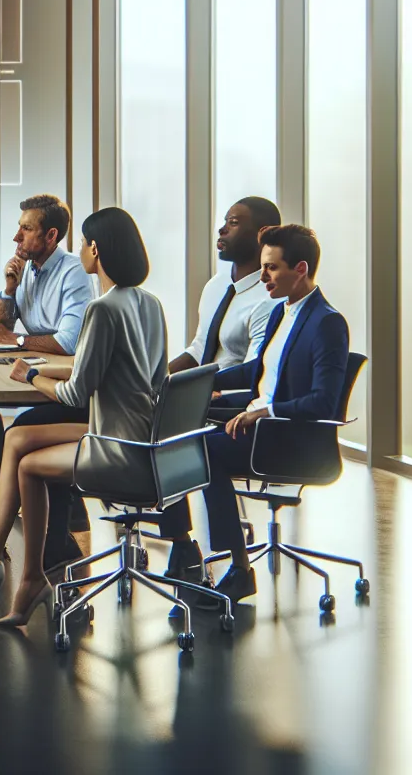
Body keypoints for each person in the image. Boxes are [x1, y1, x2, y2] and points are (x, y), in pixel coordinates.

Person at [0, 207, 167, 628]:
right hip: (141, 431)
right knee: (16, 440)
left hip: (113, 442)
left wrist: (31, 375)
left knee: (26, 462)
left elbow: (77, 390)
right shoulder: (149, 304)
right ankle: (6, 566)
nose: (79, 250)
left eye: (83, 243)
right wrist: (43, 370)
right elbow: (102, 368)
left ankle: (16, 573)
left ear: (95, 250)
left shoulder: (103, 309)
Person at [159, 224, 350, 607]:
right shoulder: (282, 312)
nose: (262, 277)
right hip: (261, 426)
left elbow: (323, 402)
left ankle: (239, 567)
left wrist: (266, 411)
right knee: (172, 435)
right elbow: (254, 372)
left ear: (301, 268)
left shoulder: (327, 323)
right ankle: (181, 544)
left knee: (204, 451)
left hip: (291, 439)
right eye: (262, 267)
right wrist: (197, 381)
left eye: (272, 269)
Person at [0, 194, 93, 513]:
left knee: (23, 425)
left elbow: (68, 342)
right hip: (37, 369)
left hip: (66, 382)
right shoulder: (26, 269)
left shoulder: (73, 271)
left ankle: (18, 495)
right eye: (19, 228)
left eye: (26, 229)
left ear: (51, 235)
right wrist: (8, 288)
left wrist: (17, 341)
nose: (16, 237)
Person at [168, 196, 280, 374]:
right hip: (201, 395)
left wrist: (204, 390)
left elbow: (254, 371)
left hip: (233, 398)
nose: (222, 230)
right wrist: (157, 380)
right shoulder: (215, 285)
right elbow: (200, 348)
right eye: (225, 222)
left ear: (262, 234)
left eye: (233, 223)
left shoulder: (270, 297)